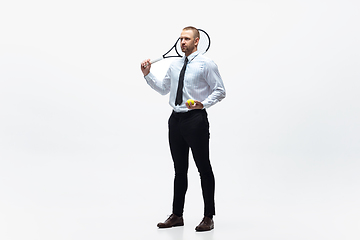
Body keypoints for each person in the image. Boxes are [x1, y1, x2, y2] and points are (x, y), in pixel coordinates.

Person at [140, 26, 226, 232]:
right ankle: (177, 215)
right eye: (180, 39)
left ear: (196, 41)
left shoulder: (207, 64)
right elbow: (163, 89)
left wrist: (202, 104)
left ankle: (208, 216)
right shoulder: (175, 65)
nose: (182, 42)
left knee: (203, 168)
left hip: (195, 120)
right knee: (179, 170)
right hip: (175, 121)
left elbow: (220, 90)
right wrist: (147, 75)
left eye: (187, 39)